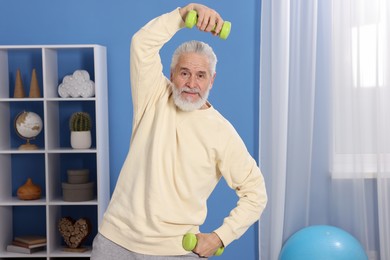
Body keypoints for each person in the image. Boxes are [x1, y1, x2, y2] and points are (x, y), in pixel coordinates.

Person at [91, 3, 267, 259]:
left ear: (212, 80)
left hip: (175, 250)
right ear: (172, 73)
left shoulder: (222, 132)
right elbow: (142, 43)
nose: (192, 84)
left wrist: (220, 237)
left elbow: (256, 193)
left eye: (201, 75)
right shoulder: (153, 95)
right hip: (115, 241)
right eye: (184, 73)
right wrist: (185, 14)